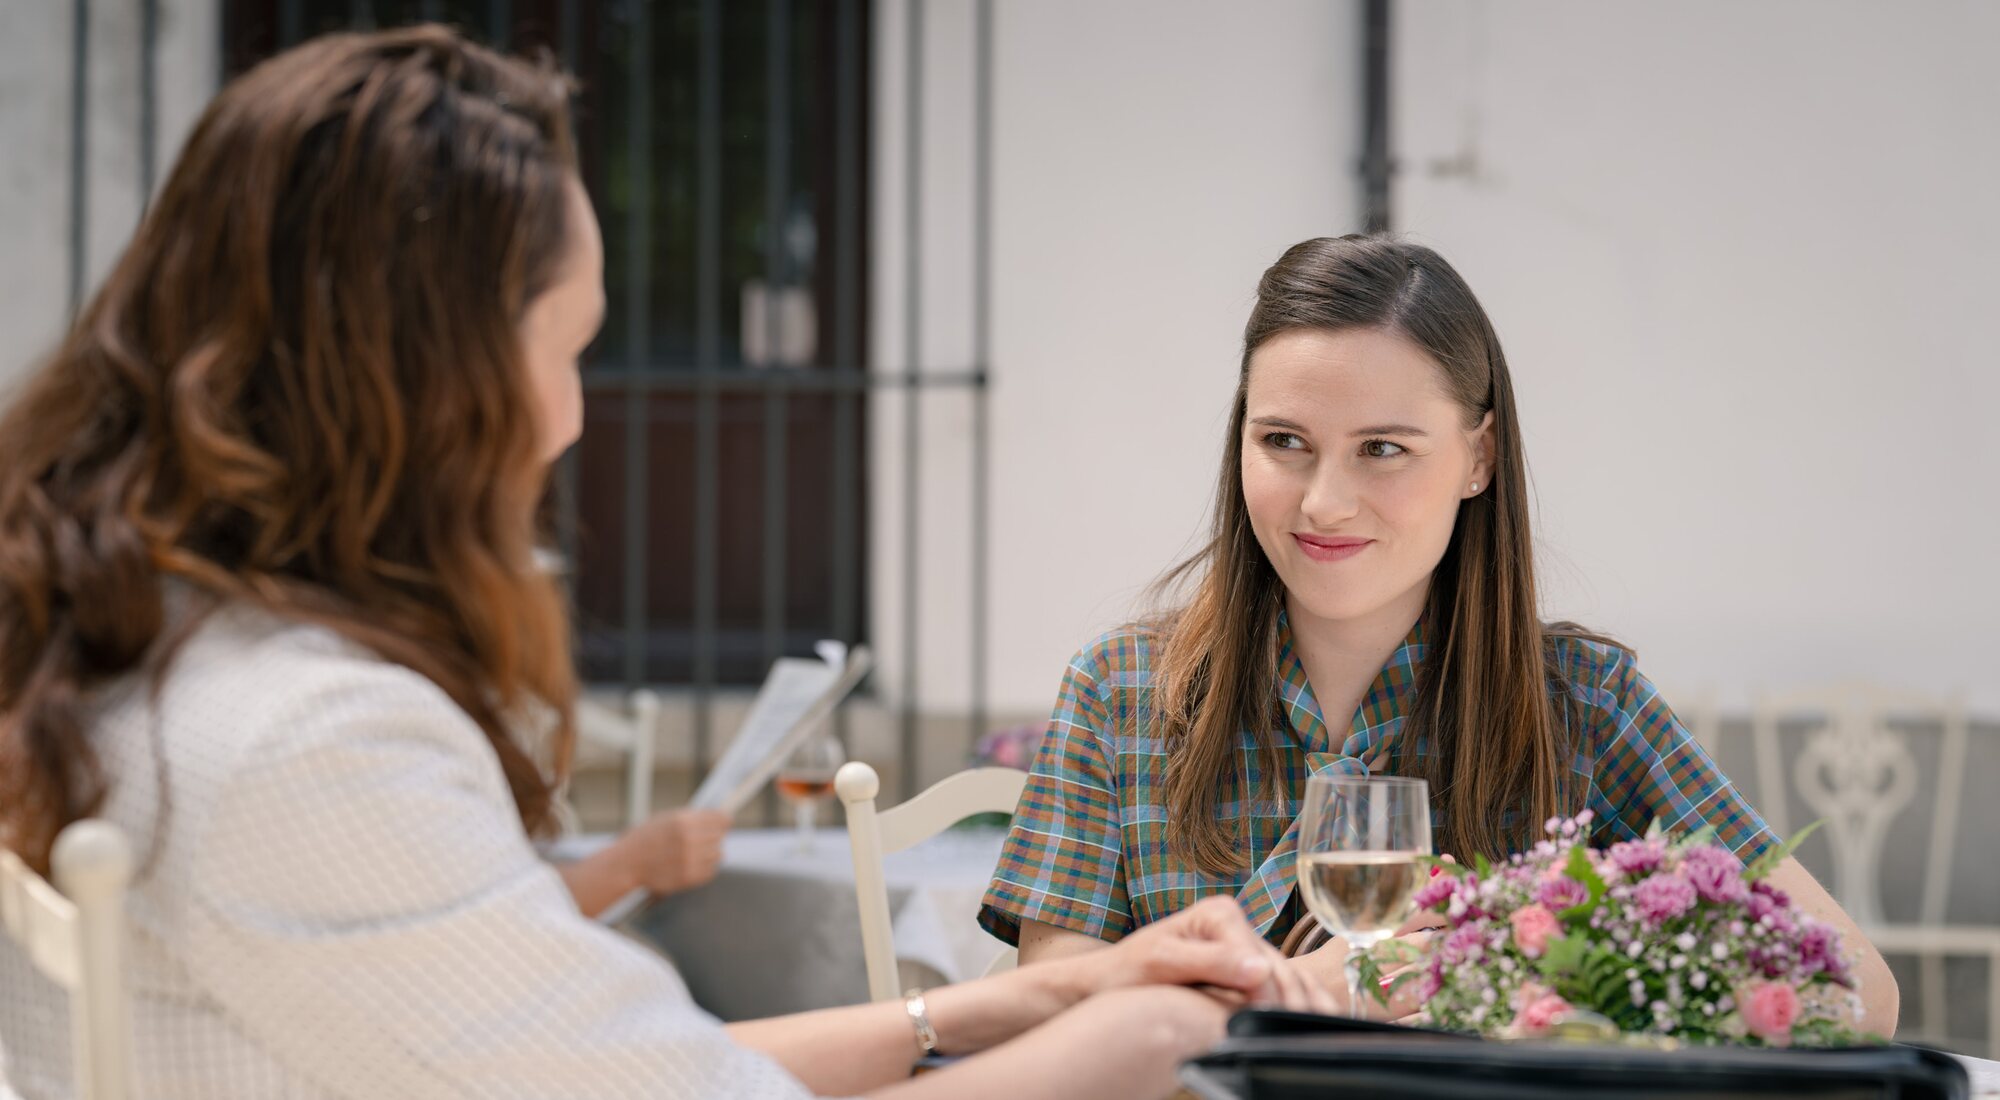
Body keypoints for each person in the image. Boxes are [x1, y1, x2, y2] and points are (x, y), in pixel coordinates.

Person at [0, 27, 1331, 1099]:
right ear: (420, 379)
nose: (575, 419)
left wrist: (1018, 999)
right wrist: (1127, 1051)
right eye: (566, 349)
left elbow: (642, 1074)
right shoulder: (315, 747)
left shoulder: (160, 654)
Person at [978, 235, 1900, 1034]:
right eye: (1284, 441)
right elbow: (1057, 1035)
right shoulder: (1124, 689)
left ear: (1479, 457)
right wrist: (1301, 995)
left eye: (1383, 449)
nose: (1324, 501)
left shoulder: (1584, 703)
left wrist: (1534, 981)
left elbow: (1854, 991)